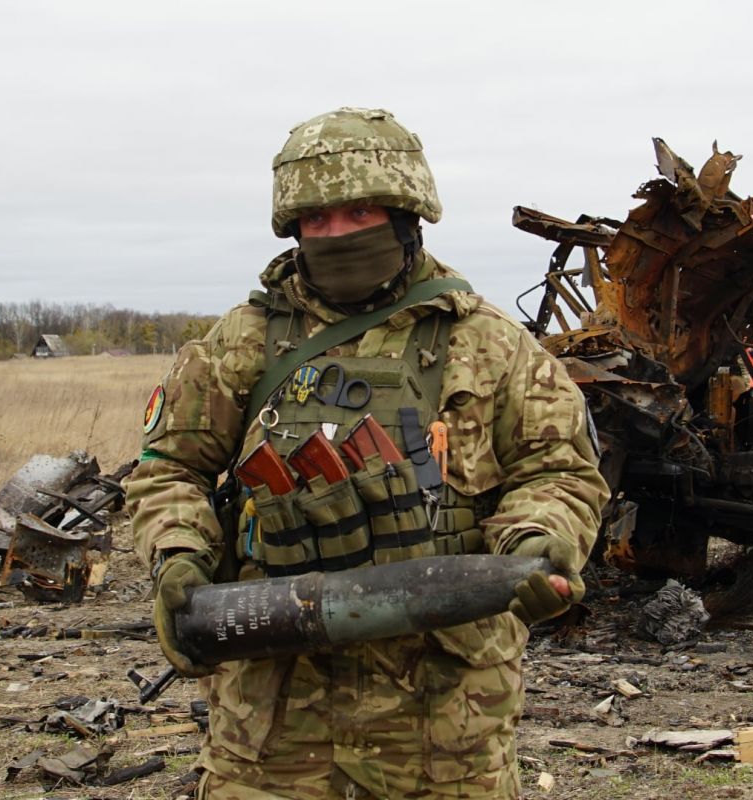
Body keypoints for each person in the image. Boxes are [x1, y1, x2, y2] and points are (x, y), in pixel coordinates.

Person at [127, 107, 609, 800]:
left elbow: (559, 470)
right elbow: (168, 467)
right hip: (271, 729)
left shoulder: (491, 344)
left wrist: (537, 542)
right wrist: (179, 555)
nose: (337, 234)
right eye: (316, 219)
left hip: (446, 726)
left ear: (405, 212)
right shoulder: (242, 343)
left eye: (358, 211)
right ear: (293, 226)